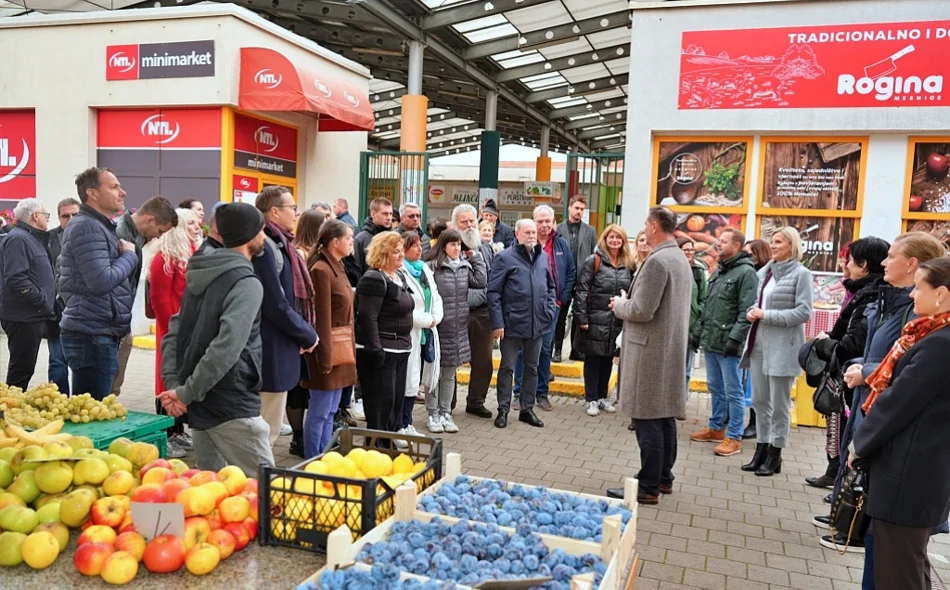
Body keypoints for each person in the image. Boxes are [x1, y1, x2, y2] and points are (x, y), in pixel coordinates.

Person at [819, 232, 946, 554]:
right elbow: (891, 355)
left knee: (896, 561)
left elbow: (906, 378)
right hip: (871, 405)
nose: (884, 262)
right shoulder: (890, 301)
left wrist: (867, 370)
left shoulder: (931, 331)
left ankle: (855, 527)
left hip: (905, 465)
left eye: (891, 255)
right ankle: (849, 520)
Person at [847, 257, 950, 590]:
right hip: (919, 477)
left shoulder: (939, 345)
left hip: (908, 480)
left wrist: (859, 445)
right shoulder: (933, 337)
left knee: (897, 575)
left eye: (919, 287)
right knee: (907, 568)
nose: (911, 295)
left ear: (942, 295)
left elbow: (896, 404)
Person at [157, 202, 275, 476]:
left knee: (211, 489)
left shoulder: (200, 270)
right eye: (261, 230)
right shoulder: (246, 282)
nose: (264, 237)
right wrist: (183, 392)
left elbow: (174, 333)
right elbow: (226, 347)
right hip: (231, 403)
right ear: (249, 235)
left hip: (201, 402)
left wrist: (178, 387)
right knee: (268, 491)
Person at [606, 207, 691, 504]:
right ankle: (664, 478)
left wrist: (619, 304)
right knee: (664, 416)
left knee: (647, 418)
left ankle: (648, 485)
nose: (643, 228)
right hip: (667, 347)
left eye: (645, 224)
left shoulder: (657, 261)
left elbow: (642, 309)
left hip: (650, 350)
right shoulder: (678, 256)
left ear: (654, 227)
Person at [804, 238, 888, 490]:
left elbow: (853, 344)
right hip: (848, 375)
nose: (845, 265)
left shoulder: (870, 296)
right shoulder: (861, 292)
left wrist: (823, 344)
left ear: (863, 265)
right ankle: (837, 477)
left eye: (850, 260)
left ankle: (845, 490)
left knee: (848, 433)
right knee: (838, 427)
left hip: (856, 377)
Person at [60, 169, 151, 400]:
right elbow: (101, 281)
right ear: (92, 193)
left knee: (94, 408)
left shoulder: (98, 225)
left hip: (97, 330)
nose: (123, 192)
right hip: (91, 334)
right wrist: (129, 256)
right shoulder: (87, 226)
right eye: (113, 187)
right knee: (91, 413)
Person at [741, 227, 813, 476]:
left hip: (784, 347)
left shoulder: (802, 274)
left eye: (778, 242)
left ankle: (775, 453)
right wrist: (753, 310)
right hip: (759, 344)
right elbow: (761, 304)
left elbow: (804, 312)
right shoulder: (767, 272)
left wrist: (766, 315)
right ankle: (761, 449)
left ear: (792, 245)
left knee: (779, 405)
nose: (773, 245)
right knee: (760, 402)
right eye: (771, 241)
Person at [253, 186, 319, 445]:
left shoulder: (280, 243)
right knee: (265, 430)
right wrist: (305, 334)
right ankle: (255, 482)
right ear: (274, 211)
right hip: (270, 350)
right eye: (292, 208)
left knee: (267, 428)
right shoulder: (266, 245)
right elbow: (274, 302)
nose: (296, 213)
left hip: (278, 346)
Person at [689, 228, 758, 457]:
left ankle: (734, 437)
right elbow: (709, 305)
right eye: (718, 240)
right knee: (715, 387)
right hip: (712, 340)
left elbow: (745, 311)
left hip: (729, 343)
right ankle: (717, 428)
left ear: (736, 246)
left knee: (733, 391)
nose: (718, 244)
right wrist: (698, 332)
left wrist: (735, 338)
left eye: (724, 241)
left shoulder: (746, 273)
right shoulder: (720, 269)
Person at [488, 219, 555, 429]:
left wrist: (549, 310)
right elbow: (493, 292)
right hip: (512, 324)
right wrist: (498, 323)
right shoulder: (505, 258)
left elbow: (551, 287)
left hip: (537, 324)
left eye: (534, 232)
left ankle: (527, 409)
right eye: (527, 232)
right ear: (517, 234)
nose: (532, 236)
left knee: (532, 368)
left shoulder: (542, 257)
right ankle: (503, 410)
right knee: (507, 368)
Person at [301, 220, 358, 457]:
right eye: (348, 238)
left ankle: (323, 459)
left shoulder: (338, 266)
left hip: (340, 348)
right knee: (320, 412)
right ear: (335, 242)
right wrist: (325, 357)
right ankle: (313, 462)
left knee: (331, 411)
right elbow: (320, 318)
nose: (352, 242)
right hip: (328, 350)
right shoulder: (321, 270)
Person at [112, 195, 179, 397]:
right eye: (159, 231)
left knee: (113, 385)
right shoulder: (118, 234)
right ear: (149, 219)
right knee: (104, 386)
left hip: (120, 321)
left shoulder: (135, 237)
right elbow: (110, 280)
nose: (158, 237)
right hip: (109, 322)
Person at [149, 208, 202, 458]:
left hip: (188, 330)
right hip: (171, 331)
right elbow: (160, 301)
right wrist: (174, 333)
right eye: (190, 223)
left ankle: (178, 430)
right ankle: (166, 434)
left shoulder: (190, 253)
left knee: (181, 379)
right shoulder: (163, 259)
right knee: (166, 379)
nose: (196, 226)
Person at [512, 205, 575, 412]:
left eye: (548, 221)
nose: (544, 225)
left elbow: (571, 272)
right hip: (524, 307)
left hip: (551, 307)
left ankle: (541, 393)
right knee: (522, 350)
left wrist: (561, 300)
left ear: (553, 222)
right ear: (533, 221)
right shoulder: (522, 243)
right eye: (540, 221)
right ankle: (519, 393)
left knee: (545, 349)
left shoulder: (561, 244)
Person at [426, 228, 487, 434]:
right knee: (435, 374)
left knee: (450, 374)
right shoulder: (432, 267)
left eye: (459, 245)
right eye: (453, 244)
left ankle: (446, 413)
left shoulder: (464, 266)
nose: (457, 248)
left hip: (458, 329)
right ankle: (432, 414)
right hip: (438, 328)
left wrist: (475, 257)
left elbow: (481, 281)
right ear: (443, 246)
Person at [355, 232, 414, 435]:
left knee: (395, 403)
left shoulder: (399, 276)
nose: (401, 255)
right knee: (381, 405)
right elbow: (367, 317)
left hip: (401, 350)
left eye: (401, 250)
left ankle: (388, 446)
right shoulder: (373, 278)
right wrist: (376, 349)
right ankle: (376, 449)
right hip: (381, 352)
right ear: (382, 253)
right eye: (395, 251)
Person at [573, 224, 634, 416]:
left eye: (618, 238)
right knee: (593, 359)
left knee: (608, 358)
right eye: (611, 237)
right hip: (594, 318)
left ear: (623, 241)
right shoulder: (594, 261)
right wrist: (581, 317)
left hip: (616, 319)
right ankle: (591, 399)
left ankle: (602, 397)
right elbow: (581, 290)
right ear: (605, 239)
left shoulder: (629, 264)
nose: (615, 241)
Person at [0, 198, 55, 390]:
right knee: (20, 371)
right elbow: (16, 279)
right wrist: (40, 300)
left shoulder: (30, 238)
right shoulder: (18, 238)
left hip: (32, 314)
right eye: (46, 215)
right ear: (35, 216)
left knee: (24, 368)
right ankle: (6, 414)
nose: (48, 219)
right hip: (24, 316)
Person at [284, 208, 326, 457]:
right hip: (303, 328)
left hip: (315, 328)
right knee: (298, 388)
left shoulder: (317, 253)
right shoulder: (300, 253)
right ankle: (298, 437)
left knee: (309, 385)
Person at [455, 204, 498, 419]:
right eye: (464, 222)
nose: (469, 226)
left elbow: (493, 280)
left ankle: (476, 401)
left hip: (482, 312)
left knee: (483, 359)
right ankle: (447, 403)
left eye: (472, 221)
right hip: (455, 311)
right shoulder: (448, 246)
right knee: (449, 360)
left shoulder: (487, 248)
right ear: (456, 225)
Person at [402, 231, 443, 433]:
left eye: (420, 244)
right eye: (414, 245)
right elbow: (405, 307)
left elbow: (435, 296)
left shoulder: (424, 269)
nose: (420, 249)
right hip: (411, 332)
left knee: (417, 376)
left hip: (427, 331)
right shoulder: (400, 271)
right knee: (409, 379)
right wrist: (428, 320)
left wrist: (436, 317)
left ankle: (407, 423)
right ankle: (403, 422)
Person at [554, 195, 597, 363]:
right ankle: (557, 350)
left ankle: (576, 350)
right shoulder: (558, 229)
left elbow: (594, 254)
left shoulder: (590, 231)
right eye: (576, 208)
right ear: (570, 208)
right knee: (560, 316)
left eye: (582, 209)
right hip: (563, 279)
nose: (579, 212)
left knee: (580, 316)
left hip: (583, 280)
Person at [47, 197, 80, 394]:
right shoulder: (48, 239)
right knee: (57, 362)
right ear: (59, 218)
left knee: (81, 365)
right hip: (56, 313)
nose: (70, 219)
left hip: (82, 312)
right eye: (65, 216)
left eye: (75, 215)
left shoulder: (90, 237)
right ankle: (59, 404)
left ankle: (79, 402)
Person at [739, 238, 771, 439]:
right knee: (749, 381)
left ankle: (756, 423)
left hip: (762, 335)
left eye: (750, 254)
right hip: (748, 331)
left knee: (756, 382)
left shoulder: (766, 276)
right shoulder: (749, 274)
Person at [678, 237, 708, 404]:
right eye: (685, 249)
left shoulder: (698, 271)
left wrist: (698, 318)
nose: (689, 253)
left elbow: (704, 299)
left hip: (691, 326)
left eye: (691, 250)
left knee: (686, 369)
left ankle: (681, 402)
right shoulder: (672, 268)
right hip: (673, 328)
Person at [352, 198, 394, 277]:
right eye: (385, 214)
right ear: (373, 214)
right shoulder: (361, 239)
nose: (389, 218)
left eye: (391, 214)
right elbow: (357, 271)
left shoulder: (394, 237)